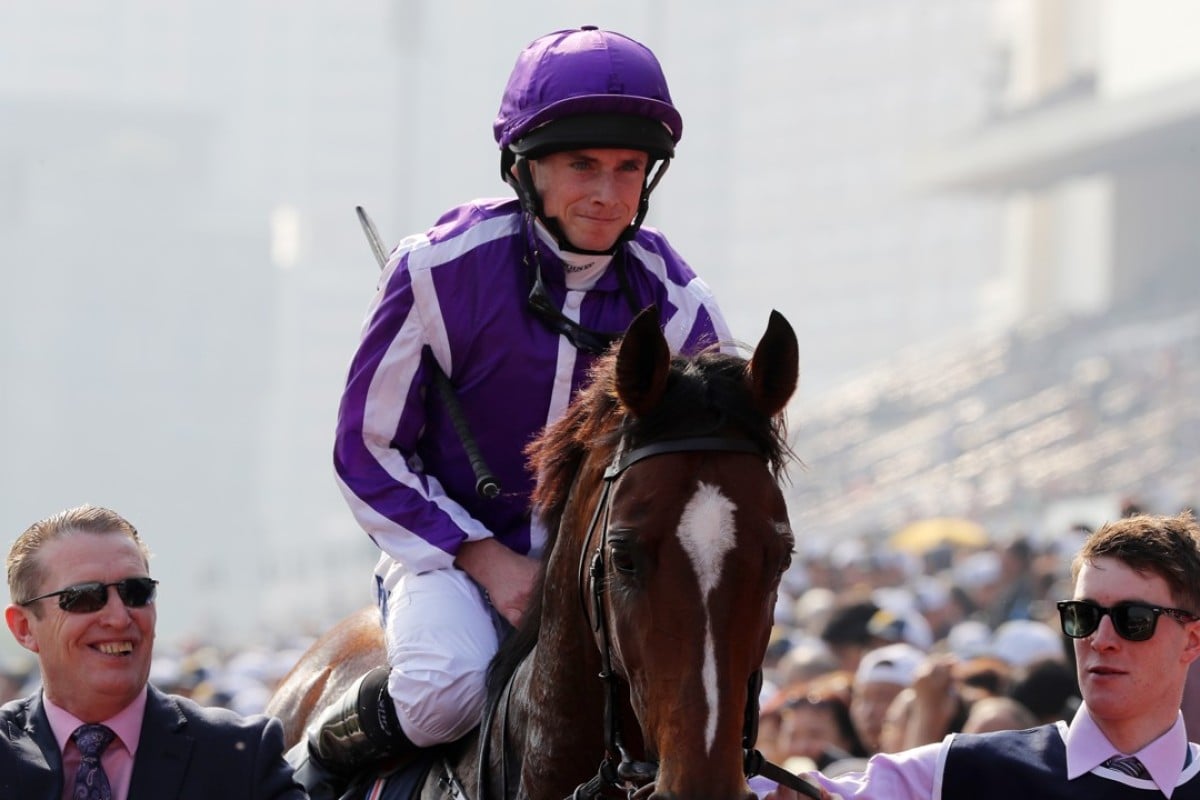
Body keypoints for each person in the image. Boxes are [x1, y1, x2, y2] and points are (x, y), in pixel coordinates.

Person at [310, 24, 732, 797]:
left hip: (608, 574)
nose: (607, 193)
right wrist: (485, 558)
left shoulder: (681, 310)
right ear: (524, 168)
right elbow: (366, 450)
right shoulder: (437, 270)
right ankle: (313, 762)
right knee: (443, 693)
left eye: (628, 168)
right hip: (452, 562)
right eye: (582, 166)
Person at [764, 511, 1200, 799]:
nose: (1101, 638)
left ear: (1193, 640)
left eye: (1133, 619)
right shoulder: (965, 771)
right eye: (1084, 615)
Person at [0, 504, 306, 799]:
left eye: (136, 592)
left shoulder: (238, 756)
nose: (120, 618)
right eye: (85, 597)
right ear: (24, 628)